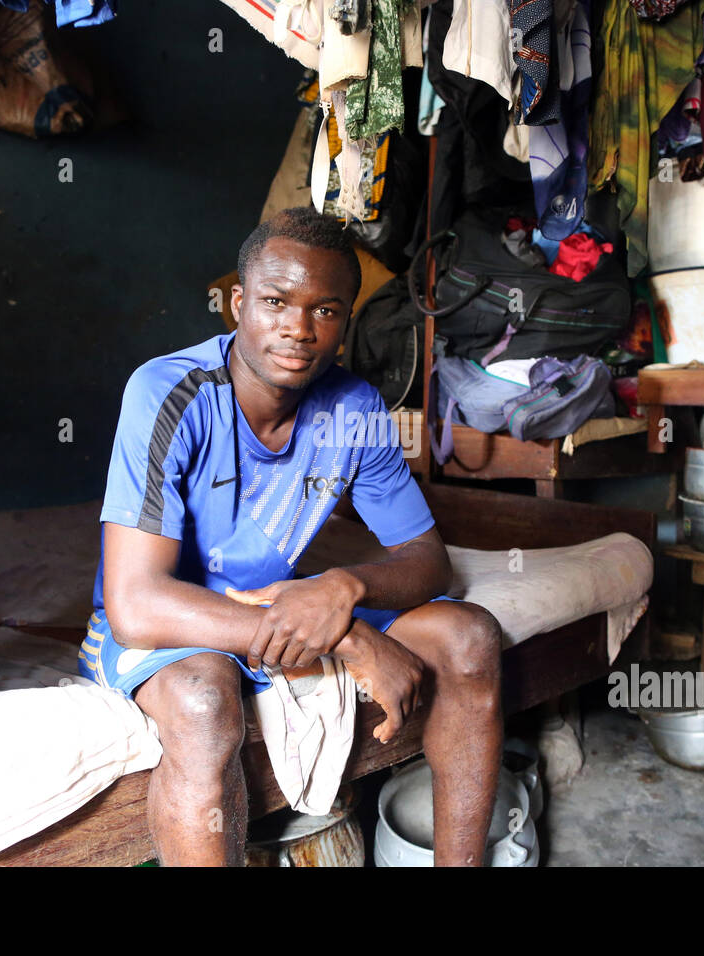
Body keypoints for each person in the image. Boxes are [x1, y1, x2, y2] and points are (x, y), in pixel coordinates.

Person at [81, 207, 502, 866]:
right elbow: (136, 603)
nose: (299, 329)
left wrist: (346, 586)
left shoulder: (354, 408)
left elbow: (428, 561)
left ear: (345, 321)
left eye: (326, 310)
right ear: (240, 304)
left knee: (471, 639)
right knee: (200, 704)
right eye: (276, 301)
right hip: (186, 619)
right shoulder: (170, 393)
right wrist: (345, 632)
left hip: (290, 603)